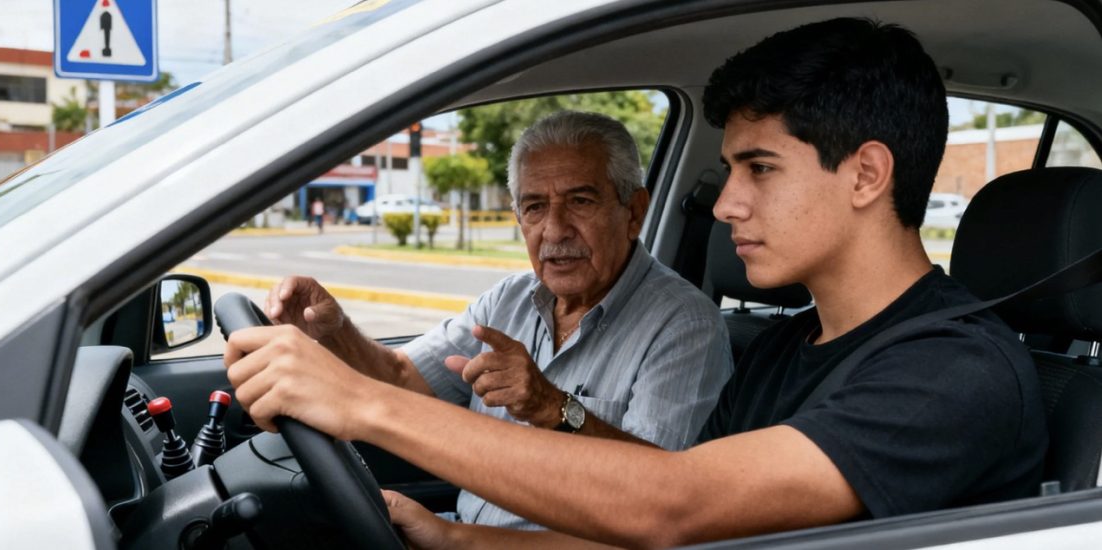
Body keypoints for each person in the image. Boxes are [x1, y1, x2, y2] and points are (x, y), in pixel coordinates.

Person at [225, 18, 1047, 548]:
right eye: (729, 170)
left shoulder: (955, 370)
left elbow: (676, 506)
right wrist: (459, 541)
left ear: (867, 173)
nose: (725, 203)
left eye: (759, 168)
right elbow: (661, 523)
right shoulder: (789, 348)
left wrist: (363, 404)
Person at [252, 110, 731, 530]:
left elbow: (664, 502)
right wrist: (337, 331)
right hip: (457, 530)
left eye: (580, 202)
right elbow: (400, 377)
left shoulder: (686, 324)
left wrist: (555, 408)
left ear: (634, 212)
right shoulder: (511, 298)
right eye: (535, 207)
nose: (555, 230)